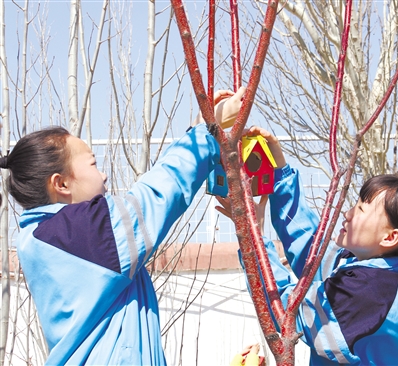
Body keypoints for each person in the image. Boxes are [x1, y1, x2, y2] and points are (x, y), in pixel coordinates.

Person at [0, 87, 245, 365]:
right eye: (93, 164)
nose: (103, 175)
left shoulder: (44, 238)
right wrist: (208, 131)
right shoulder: (77, 234)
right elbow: (157, 195)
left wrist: (202, 128)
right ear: (61, 184)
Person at [216, 126, 398, 365]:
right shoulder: (362, 268)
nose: (347, 213)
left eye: (361, 211)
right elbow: (309, 246)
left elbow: (288, 313)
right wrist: (279, 169)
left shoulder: (372, 293)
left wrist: (254, 238)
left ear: (389, 238)